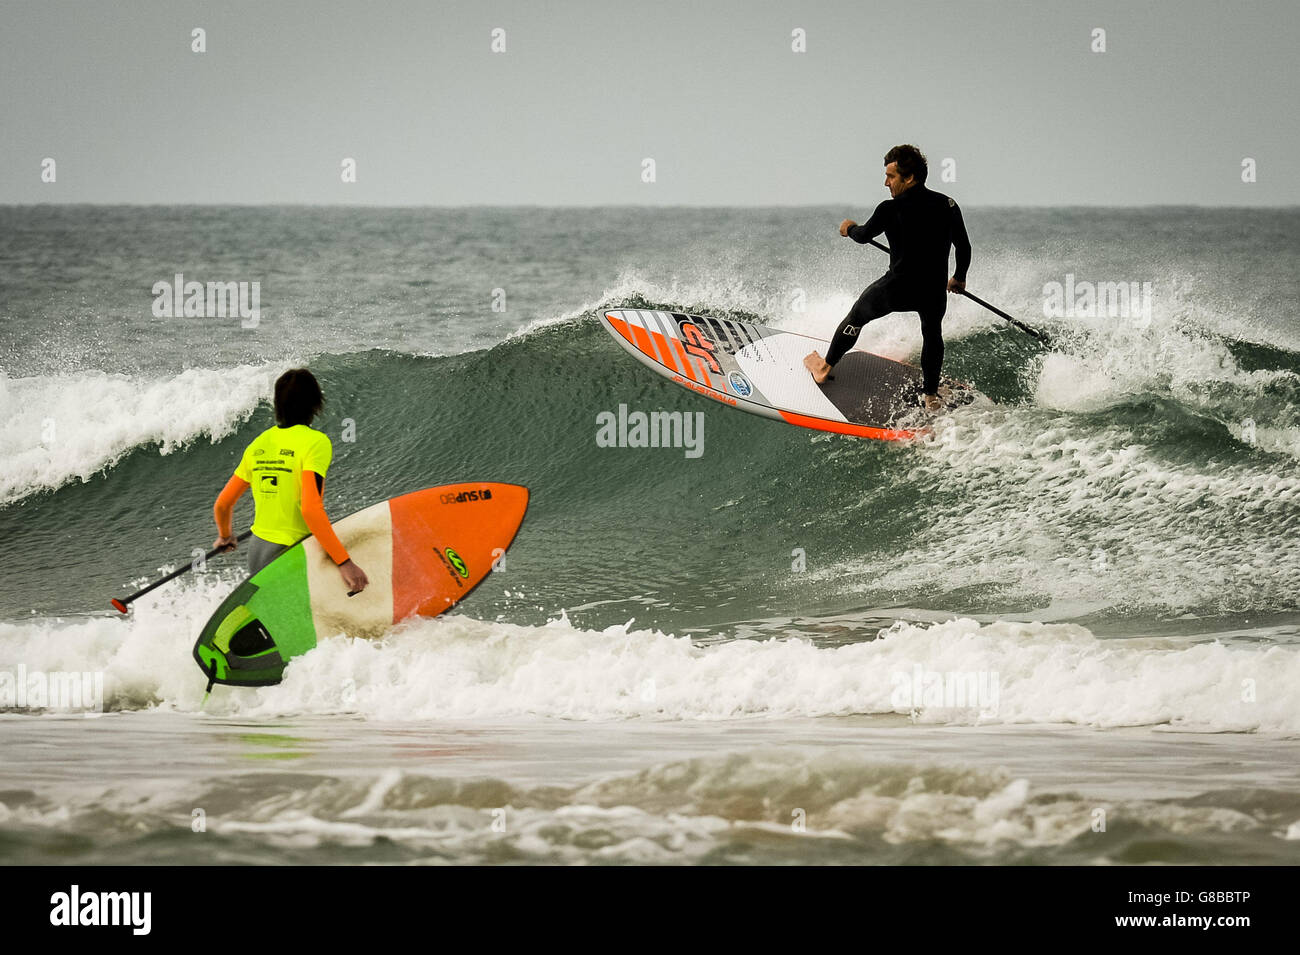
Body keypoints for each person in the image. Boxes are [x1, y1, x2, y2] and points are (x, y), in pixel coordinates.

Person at [803, 144, 971, 413]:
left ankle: (824, 368)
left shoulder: (890, 209)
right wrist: (959, 278)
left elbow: (864, 235)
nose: (886, 183)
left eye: (891, 176)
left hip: (896, 289)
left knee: (856, 318)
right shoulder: (947, 205)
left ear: (909, 178)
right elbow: (963, 246)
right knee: (932, 333)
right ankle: (930, 395)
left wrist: (849, 228)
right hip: (932, 290)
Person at [212, 368, 369, 593]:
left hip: (256, 551)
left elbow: (223, 504)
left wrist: (225, 536)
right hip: (288, 553)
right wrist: (344, 562)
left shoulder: (259, 443)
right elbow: (310, 509)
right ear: (315, 403)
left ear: (277, 405)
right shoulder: (315, 442)